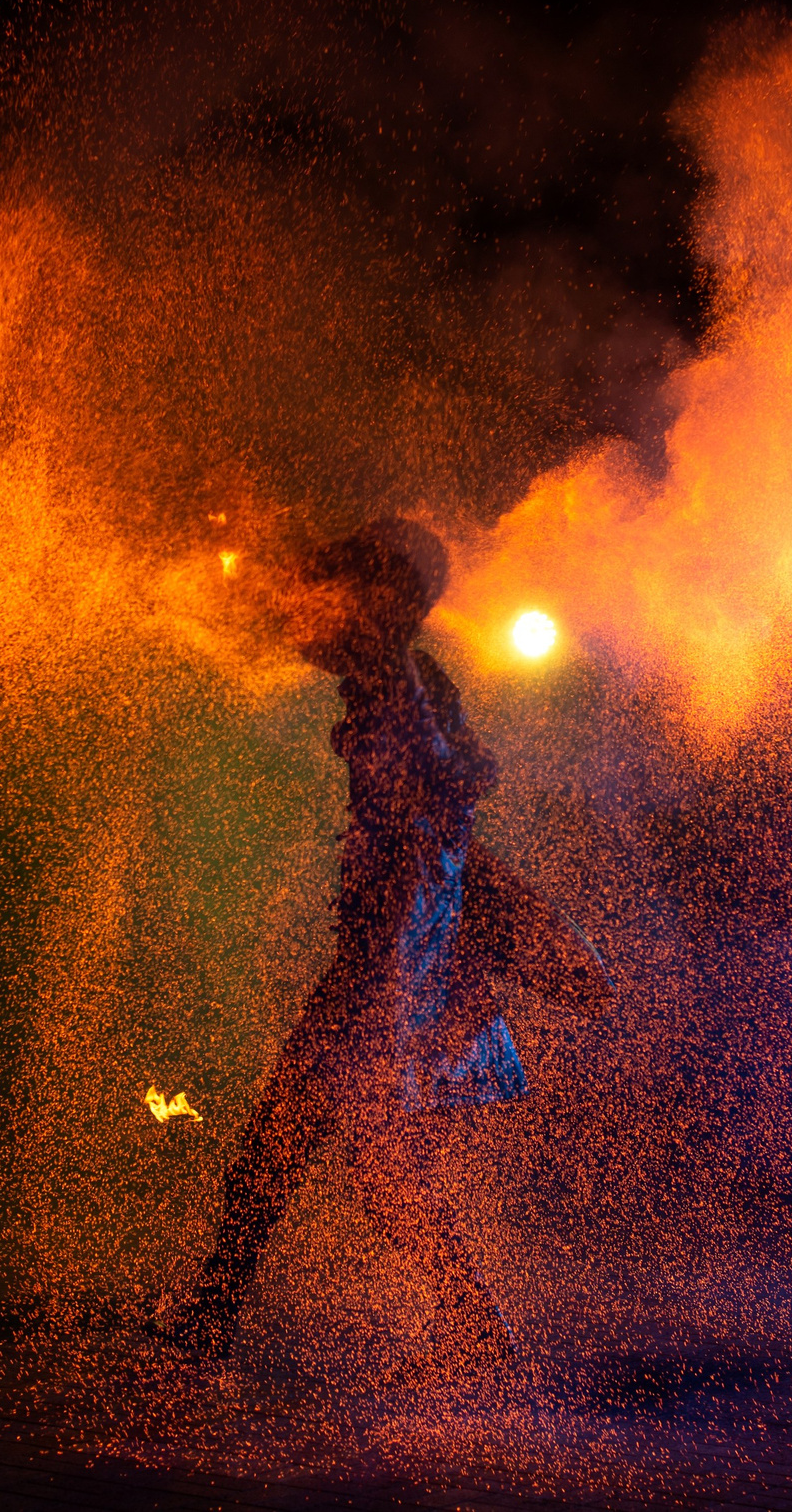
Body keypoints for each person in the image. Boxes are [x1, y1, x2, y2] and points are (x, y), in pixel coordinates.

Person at [151, 516, 612, 1374]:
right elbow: (459, 786)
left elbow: (432, 814)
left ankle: (225, 1316)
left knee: (290, 1153)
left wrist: (383, 979)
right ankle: (471, 1329)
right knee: (351, 1166)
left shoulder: (395, 684)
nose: (299, 609)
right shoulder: (397, 681)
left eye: (322, 591)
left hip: (387, 963)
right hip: (394, 957)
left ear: (370, 603)